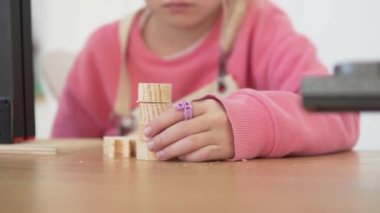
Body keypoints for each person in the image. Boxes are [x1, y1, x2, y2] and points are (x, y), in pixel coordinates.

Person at [52, 0, 359, 162]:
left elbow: (340, 111)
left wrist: (249, 124)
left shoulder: (259, 25)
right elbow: (61, 157)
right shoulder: (103, 49)